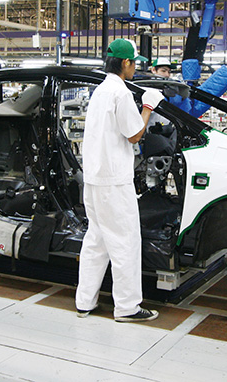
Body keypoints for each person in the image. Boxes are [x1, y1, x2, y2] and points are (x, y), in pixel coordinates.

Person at [76, 38, 163, 323]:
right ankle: (127, 307)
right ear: (125, 63)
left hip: (94, 179)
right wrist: (148, 106)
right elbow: (134, 134)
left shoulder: (100, 91)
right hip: (114, 181)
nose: (135, 68)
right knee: (125, 242)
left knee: (96, 240)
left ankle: (84, 301)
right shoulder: (120, 93)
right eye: (134, 63)